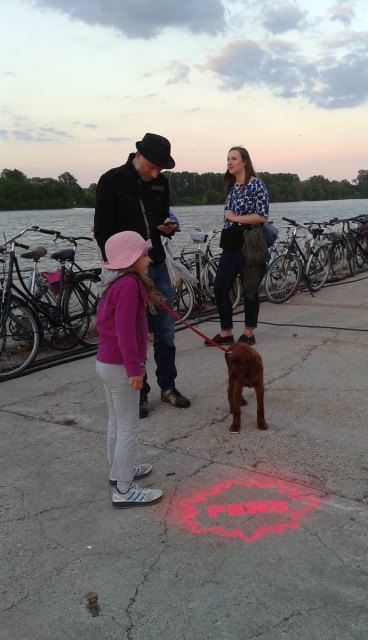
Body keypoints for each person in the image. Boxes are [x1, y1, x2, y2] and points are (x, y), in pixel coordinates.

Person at [94, 133, 190, 419]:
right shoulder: (111, 181)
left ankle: (168, 386)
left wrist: (168, 227)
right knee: (136, 330)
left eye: (160, 168)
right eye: (152, 166)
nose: (155, 173)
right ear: (138, 155)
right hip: (127, 270)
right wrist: (120, 266)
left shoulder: (161, 183)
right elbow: (103, 231)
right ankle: (140, 392)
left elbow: (161, 219)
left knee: (166, 330)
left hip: (155, 262)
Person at [96, 231, 163, 508]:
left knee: (116, 423)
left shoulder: (114, 282)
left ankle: (118, 471)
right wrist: (135, 367)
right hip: (121, 366)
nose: (148, 259)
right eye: (144, 254)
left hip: (106, 363)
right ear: (131, 259)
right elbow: (125, 329)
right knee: (128, 428)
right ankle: (124, 490)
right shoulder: (129, 285)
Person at [205, 146, 270, 347]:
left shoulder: (256, 184)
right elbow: (228, 215)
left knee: (249, 287)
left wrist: (235, 218)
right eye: (228, 159)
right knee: (219, 287)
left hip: (248, 242)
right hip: (230, 243)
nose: (229, 162)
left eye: (233, 158)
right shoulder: (233, 186)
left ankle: (248, 333)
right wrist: (230, 220)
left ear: (244, 162)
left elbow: (262, 216)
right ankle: (226, 332)